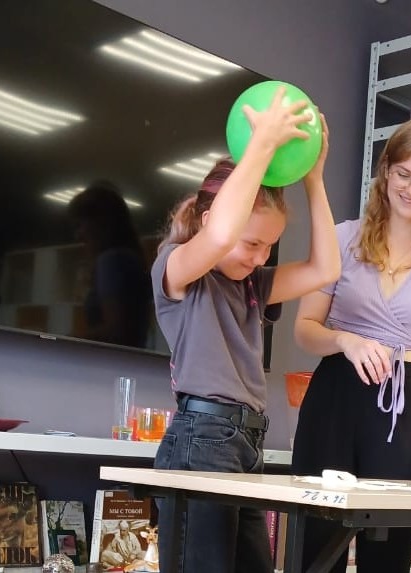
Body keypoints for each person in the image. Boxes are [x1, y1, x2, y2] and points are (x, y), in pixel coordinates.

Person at [151, 86, 339, 573]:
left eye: (269, 247)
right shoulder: (178, 269)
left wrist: (314, 179)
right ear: (208, 219)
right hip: (203, 439)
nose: (260, 257)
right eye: (252, 243)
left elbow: (326, 269)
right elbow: (218, 236)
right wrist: (261, 146)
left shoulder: (253, 284)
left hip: (247, 443)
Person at [291, 116, 411, 572]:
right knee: (316, 546)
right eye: (403, 174)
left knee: (389, 552)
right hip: (335, 397)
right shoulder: (342, 238)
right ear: (386, 170)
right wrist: (346, 340)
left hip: (404, 407)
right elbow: (304, 329)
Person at [68, 182, 152, 348]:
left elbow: (115, 331)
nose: (78, 235)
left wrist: (64, 340)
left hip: (110, 360)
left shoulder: (111, 260)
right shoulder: (130, 257)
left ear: (100, 223)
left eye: (80, 225)